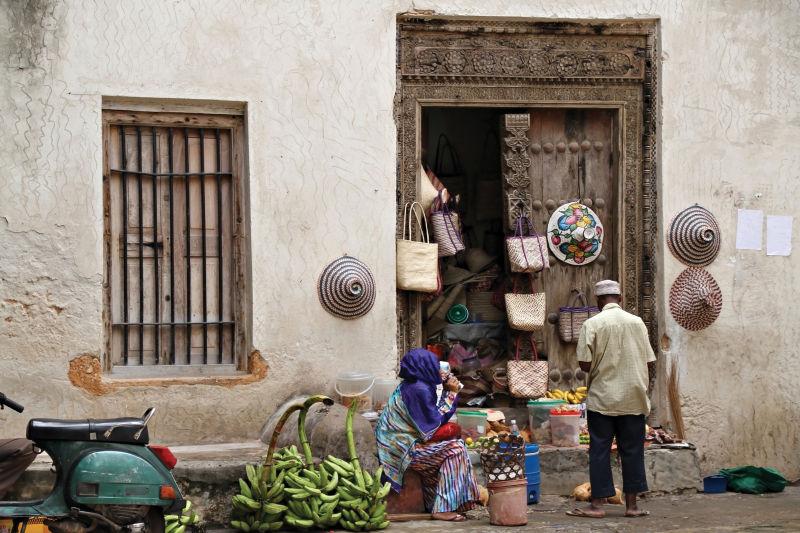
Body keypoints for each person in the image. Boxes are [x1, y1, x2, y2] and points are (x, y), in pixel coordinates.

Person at [567, 280, 656, 519]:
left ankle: (597, 505)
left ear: (598, 302)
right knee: (632, 451)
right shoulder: (637, 323)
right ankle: (632, 506)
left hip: (603, 398)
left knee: (599, 451)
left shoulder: (592, 323)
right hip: (633, 397)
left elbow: (584, 364)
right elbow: (649, 359)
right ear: (621, 298)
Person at [375, 348, 480, 522]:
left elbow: (433, 416)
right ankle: (443, 509)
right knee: (456, 449)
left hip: (404, 443)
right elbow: (434, 425)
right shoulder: (418, 389)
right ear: (424, 366)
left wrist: (447, 389)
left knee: (449, 448)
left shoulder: (416, 385)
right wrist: (452, 393)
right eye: (433, 364)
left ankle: (438, 504)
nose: (438, 368)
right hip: (401, 449)